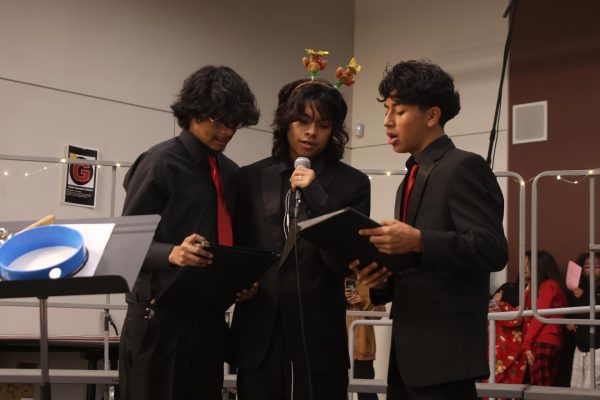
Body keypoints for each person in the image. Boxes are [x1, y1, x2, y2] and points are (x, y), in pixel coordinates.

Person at [351, 60, 508, 400]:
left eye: (399, 111)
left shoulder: (463, 166)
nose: (387, 121)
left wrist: (419, 240)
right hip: (409, 352)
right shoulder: (410, 177)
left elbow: (491, 248)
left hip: (446, 354)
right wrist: (381, 282)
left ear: (432, 115)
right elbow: (419, 267)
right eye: (387, 110)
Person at [118, 65, 259, 400]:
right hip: (159, 322)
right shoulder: (159, 162)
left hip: (208, 322)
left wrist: (240, 280)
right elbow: (123, 243)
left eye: (234, 124)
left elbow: (231, 241)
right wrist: (171, 253)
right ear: (193, 113)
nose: (227, 131)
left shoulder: (230, 173)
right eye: (219, 121)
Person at [230, 78, 371, 399]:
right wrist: (236, 283)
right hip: (259, 334)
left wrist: (317, 195)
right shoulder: (248, 177)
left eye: (323, 124)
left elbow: (346, 261)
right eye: (302, 121)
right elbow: (238, 246)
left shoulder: (353, 183)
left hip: (318, 336)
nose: (311, 132)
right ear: (285, 121)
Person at [521, 250, 568, 386]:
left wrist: (527, 343)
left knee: (540, 387)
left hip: (544, 340)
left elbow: (539, 314)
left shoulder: (548, 285)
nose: (524, 268)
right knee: (544, 386)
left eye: (528, 265)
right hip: (551, 340)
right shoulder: (548, 286)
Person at [345, 277, 386, 400]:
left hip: (363, 349)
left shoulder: (371, 283)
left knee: (366, 393)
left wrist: (362, 300)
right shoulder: (340, 281)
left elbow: (381, 311)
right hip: (341, 348)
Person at [569, 251, 600, 388]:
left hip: (598, 346)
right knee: (577, 386)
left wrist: (584, 296)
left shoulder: (586, 292)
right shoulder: (578, 289)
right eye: (588, 266)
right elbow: (573, 311)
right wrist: (569, 322)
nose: (592, 269)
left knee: (592, 386)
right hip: (580, 346)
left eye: (597, 266)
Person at [488, 282, 527, 386]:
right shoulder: (521, 313)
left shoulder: (490, 309)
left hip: (493, 358)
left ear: (500, 293)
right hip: (514, 362)